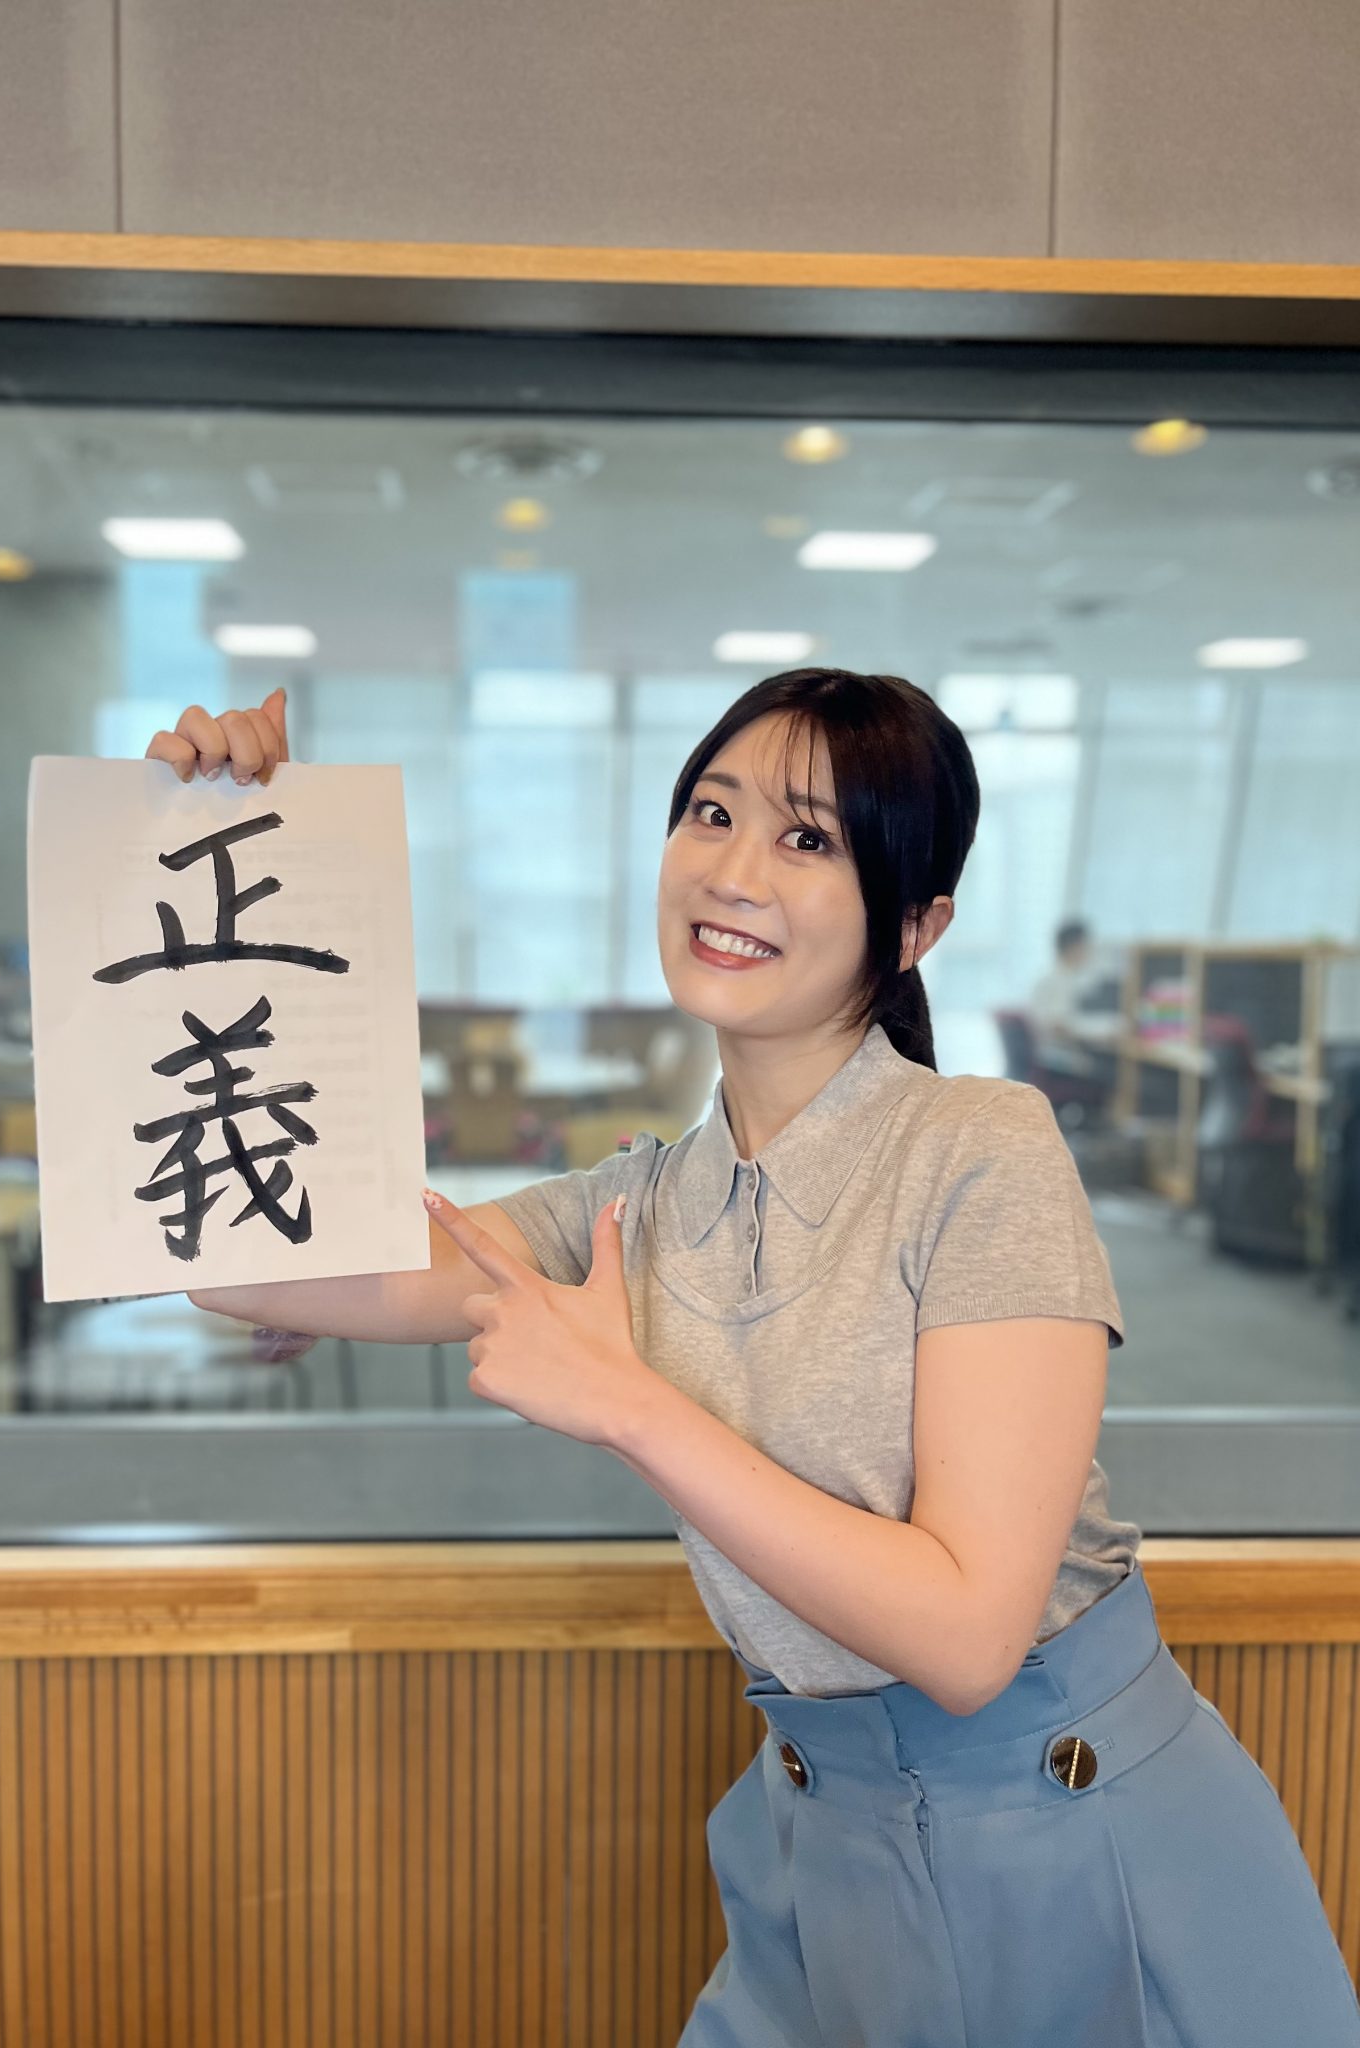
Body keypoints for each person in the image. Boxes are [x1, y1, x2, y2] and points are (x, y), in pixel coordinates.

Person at [153, 674, 1360, 2046]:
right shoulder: (637, 1203)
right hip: (823, 1837)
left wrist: (630, 1405)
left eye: (808, 839)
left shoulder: (982, 1147)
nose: (732, 872)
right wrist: (237, 860)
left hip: (1068, 1840)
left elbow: (969, 1636)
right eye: (712, 813)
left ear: (916, 924)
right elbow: (236, 1257)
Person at [1029, 916, 1123, 1083]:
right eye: (1087, 946)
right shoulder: (1056, 981)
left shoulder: (1062, 977)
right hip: (1059, 1059)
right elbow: (1060, 1027)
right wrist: (1100, 1033)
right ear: (1075, 947)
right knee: (1117, 1075)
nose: (1090, 953)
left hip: (1055, 1056)